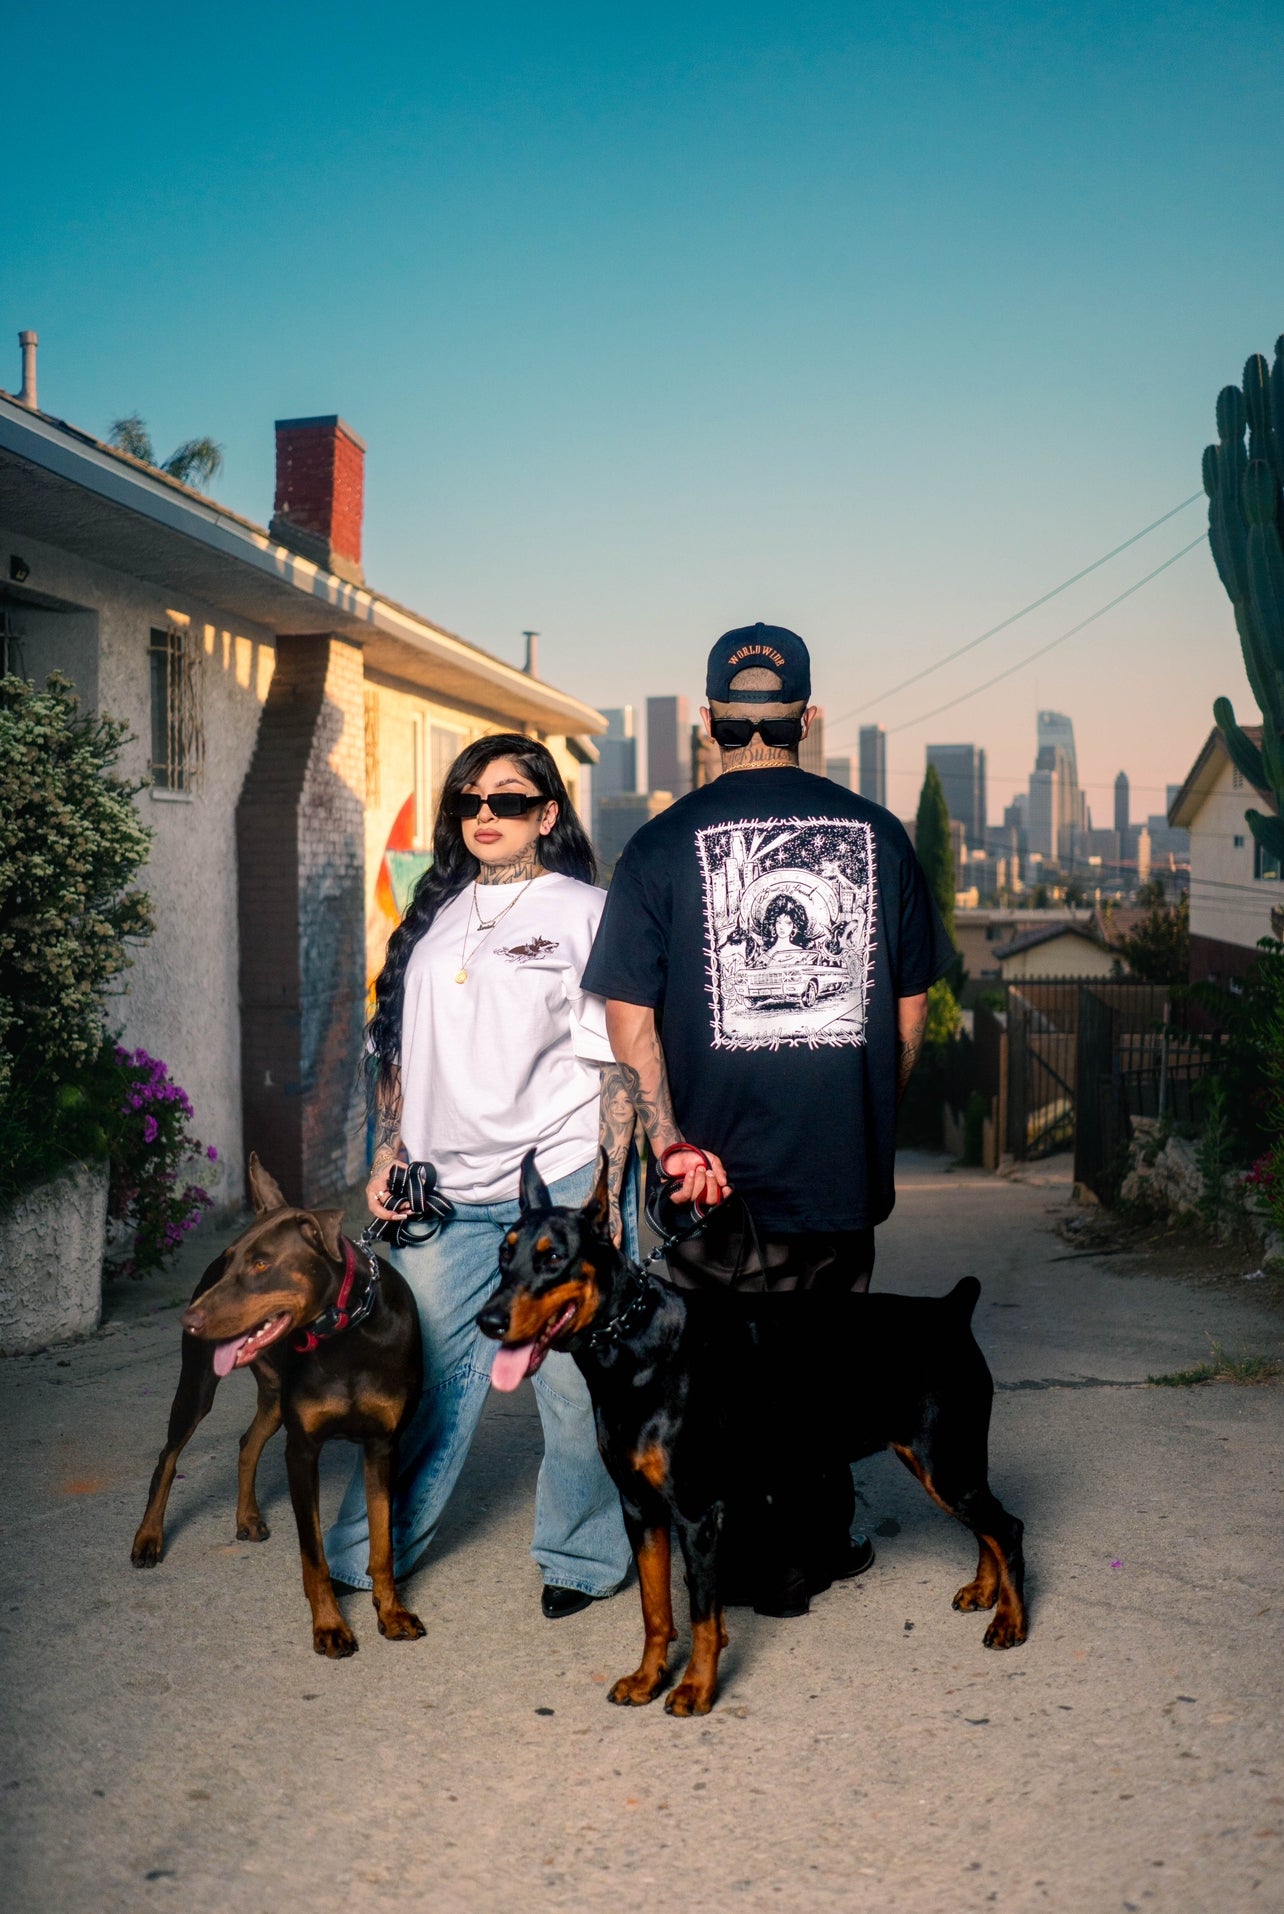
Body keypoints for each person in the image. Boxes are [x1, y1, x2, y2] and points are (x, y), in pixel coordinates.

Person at [582, 623, 955, 1616]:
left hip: (709, 1182)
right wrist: (870, 1112)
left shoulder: (658, 847)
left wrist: (669, 1142)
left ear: (709, 723)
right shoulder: (880, 836)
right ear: (808, 720)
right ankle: (817, 1547)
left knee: (716, 1373)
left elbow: (628, 1021)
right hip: (838, 1169)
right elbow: (912, 1017)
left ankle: (737, 1554)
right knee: (822, 1365)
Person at [324, 734, 638, 1618]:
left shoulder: (582, 910)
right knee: (418, 1381)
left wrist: (608, 1195)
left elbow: (614, 1060)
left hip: (560, 1182)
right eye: (469, 801)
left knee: (577, 1392)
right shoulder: (429, 920)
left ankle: (580, 1559)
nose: (485, 815)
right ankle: (367, 1553)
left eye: (508, 799)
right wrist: (386, 1154)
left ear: (547, 813)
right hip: (441, 1195)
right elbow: (394, 1052)